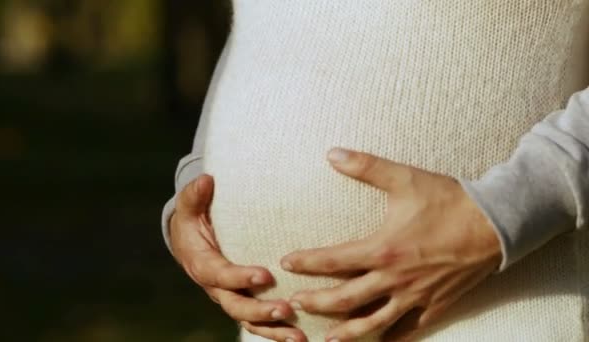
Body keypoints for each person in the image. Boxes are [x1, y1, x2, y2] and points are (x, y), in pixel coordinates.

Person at [163, 1, 589, 341]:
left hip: (509, 308)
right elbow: (264, 28)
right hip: (275, 328)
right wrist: (199, 186)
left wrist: (499, 215)